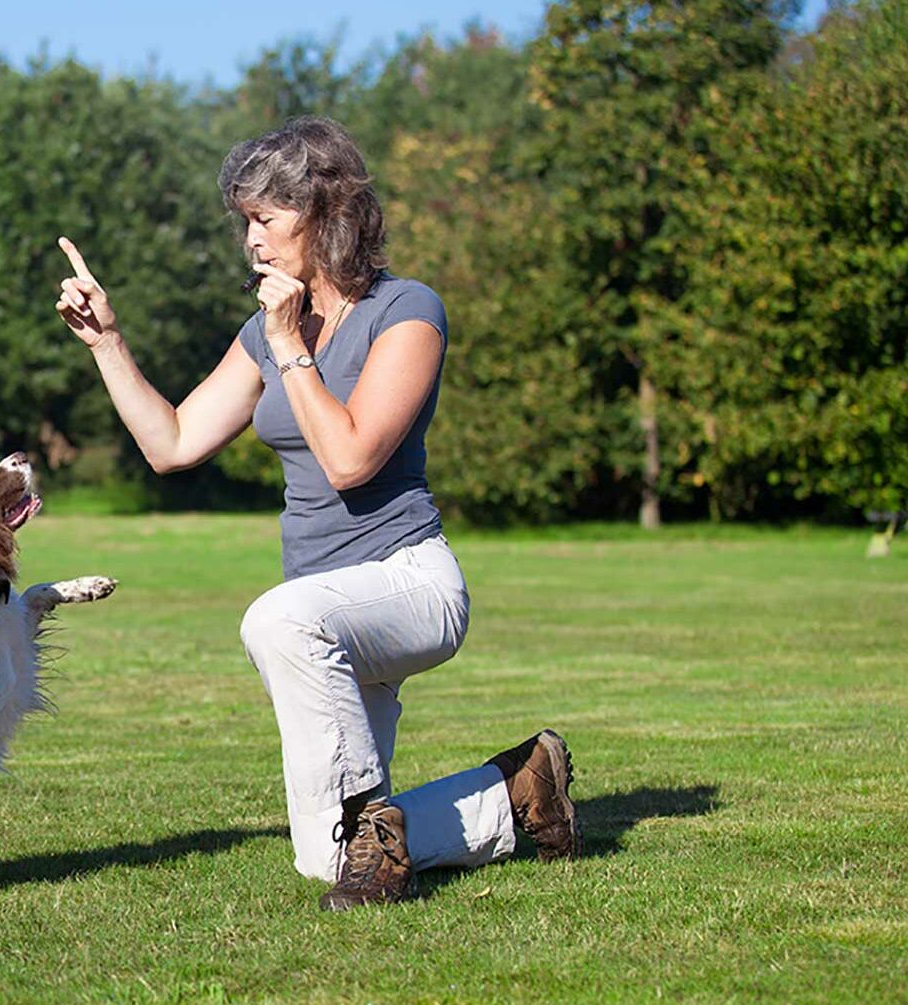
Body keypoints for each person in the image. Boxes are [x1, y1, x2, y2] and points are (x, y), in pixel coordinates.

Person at [53, 116, 578, 910]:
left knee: (277, 618)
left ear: (325, 212)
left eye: (265, 218)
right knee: (325, 859)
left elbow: (351, 457)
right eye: (245, 222)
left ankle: (374, 830)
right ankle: (519, 792)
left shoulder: (406, 311)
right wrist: (107, 343)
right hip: (323, 615)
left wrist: (290, 345)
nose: (251, 241)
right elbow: (174, 443)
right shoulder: (264, 335)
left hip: (408, 581)